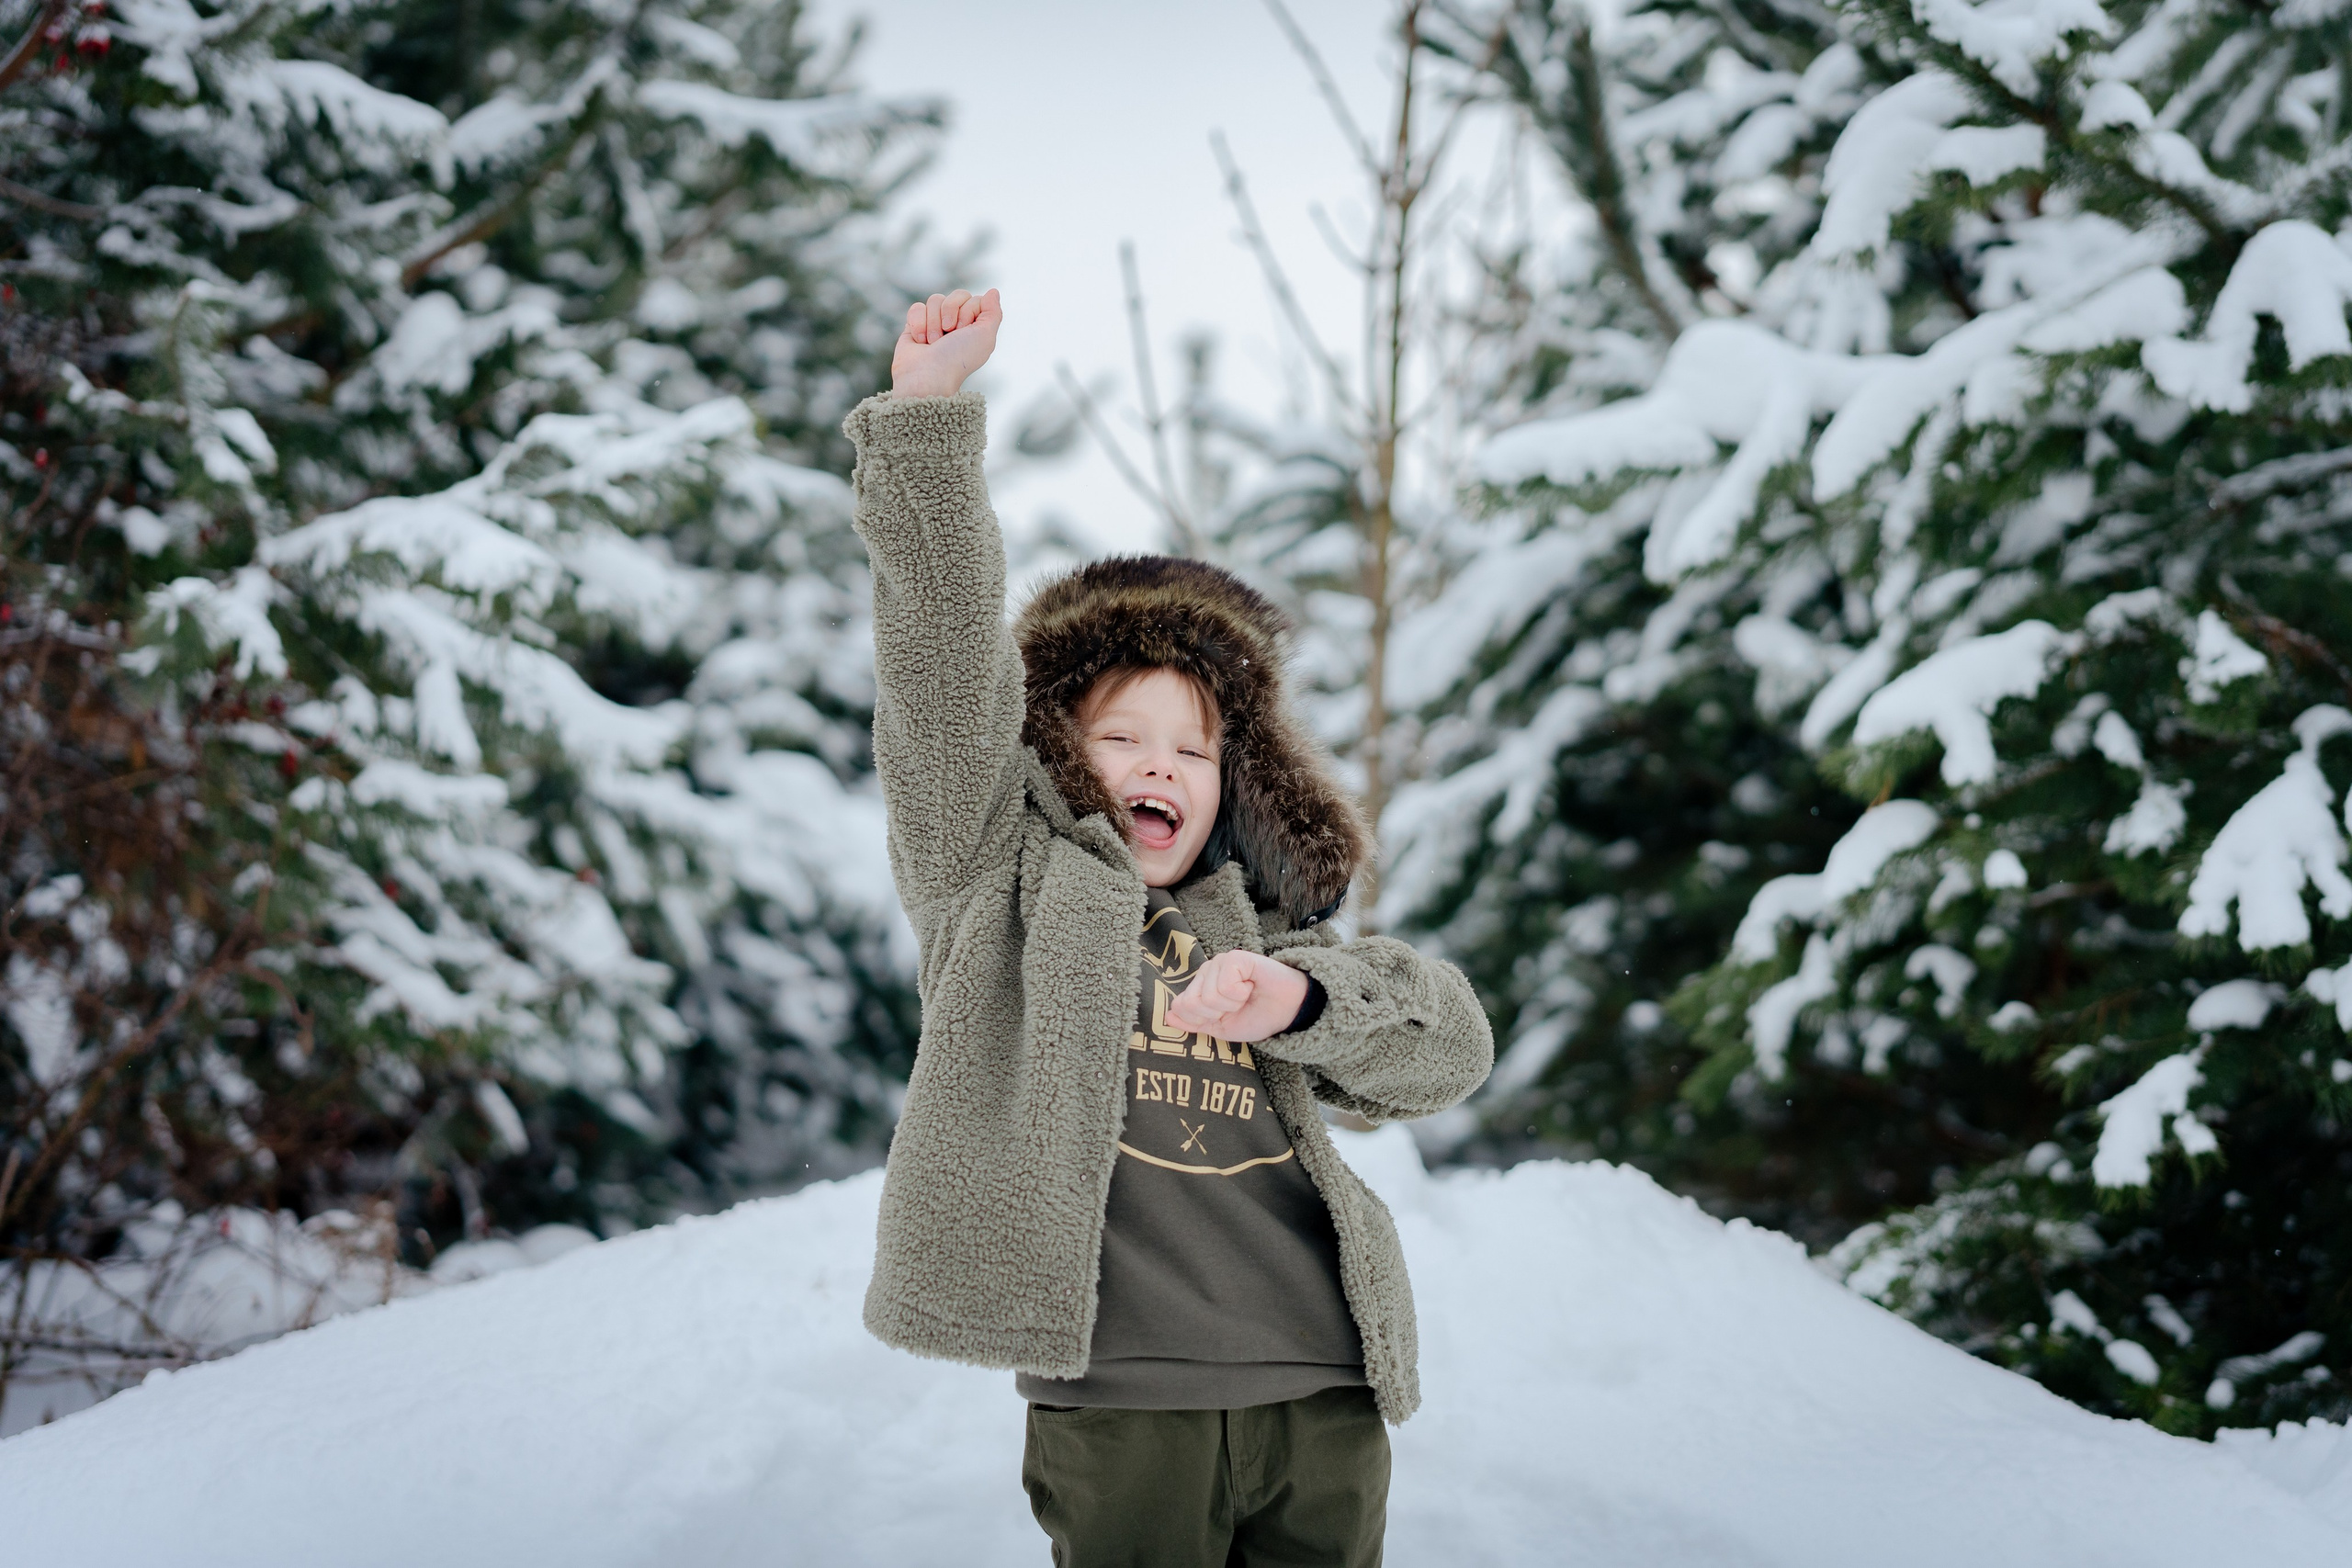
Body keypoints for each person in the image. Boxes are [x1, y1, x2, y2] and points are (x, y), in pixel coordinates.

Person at [842, 287, 1494, 1568]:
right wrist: (926, 427)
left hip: (1325, 1385)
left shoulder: (1265, 926)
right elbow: (941, 673)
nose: (1161, 766)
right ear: (1056, 754)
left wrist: (1300, 1003)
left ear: (1232, 777)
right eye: (1122, 737)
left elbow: (1448, 1047)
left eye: (1193, 750)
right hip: (1123, 1401)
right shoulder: (997, 882)